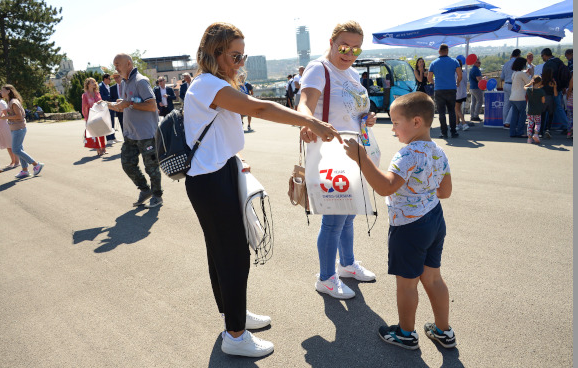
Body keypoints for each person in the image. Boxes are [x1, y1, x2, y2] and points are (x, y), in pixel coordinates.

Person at [183, 22, 340, 358]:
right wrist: (309, 121)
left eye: (244, 55)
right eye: (235, 55)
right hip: (211, 181)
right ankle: (235, 335)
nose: (241, 62)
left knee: (223, 252)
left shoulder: (212, 84)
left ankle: (233, 318)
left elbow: (218, 132)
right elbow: (259, 108)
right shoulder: (208, 84)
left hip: (218, 173)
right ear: (216, 53)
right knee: (233, 254)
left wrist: (235, 159)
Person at [343, 91, 455, 351]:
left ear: (416, 122)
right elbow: (445, 192)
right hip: (435, 220)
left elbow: (385, 187)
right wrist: (423, 190)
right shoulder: (438, 151)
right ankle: (444, 331)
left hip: (409, 226)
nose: (393, 130)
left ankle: (406, 333)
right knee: (434, 279)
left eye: (395, 122)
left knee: (407, 284)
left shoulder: (407, 155)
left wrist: (361, 157)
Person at [298, 20, 377, 300]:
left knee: (349, 213)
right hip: (330, 152)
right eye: (344, 46)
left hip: (353, 150)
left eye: (356, 48)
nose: (349, 52)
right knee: (334, 220)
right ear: (331, 43)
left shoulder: (352, 73)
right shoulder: (319, 68)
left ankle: (346, 264)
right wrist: (306, 122)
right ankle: (326, 278)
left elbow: (355, 109)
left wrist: (367, 117)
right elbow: (305, 101)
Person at [106, 53, 163, 209]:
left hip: (146, 135)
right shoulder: (124, 83)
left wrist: (128, 103)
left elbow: (152, 105)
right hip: (131, 134)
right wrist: (108, 105)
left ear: (128, 64)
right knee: (127, 164)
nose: (115, 67)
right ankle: (145, 190)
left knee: (151, 167)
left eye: (117, 64)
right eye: (114, 64)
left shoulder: (141, 81)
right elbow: (129, 104)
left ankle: (157, 196)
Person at [0, 84, 45, 179]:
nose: (1, 92)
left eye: (2, 90)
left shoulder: (13, 102)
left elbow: (19, 116)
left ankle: (36, 164)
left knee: (16, 150)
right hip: (15, 129)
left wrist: (5, 117)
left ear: (8, 91)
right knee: (19, 149)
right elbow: (13, 112)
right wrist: (6, 110)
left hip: (18, 129)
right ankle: (25, 171)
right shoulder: (10, 101)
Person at [427, 43, 462, 139]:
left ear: (439, 51)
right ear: (447, 51)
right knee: (451, 111)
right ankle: (453, 132)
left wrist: (434, 83)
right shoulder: (454, 61)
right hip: (451, 89)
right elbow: (460, 75)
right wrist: (457, 82)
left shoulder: (433, 63)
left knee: (441, 112)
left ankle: (444, 133)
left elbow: (429, 78)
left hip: (439, 90)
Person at [540, 48, 566, 138]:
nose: (542, 58)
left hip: (549, 90)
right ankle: (565, 126)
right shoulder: (558, 61)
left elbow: (545, 77)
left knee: (545, 111)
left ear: (545, 55)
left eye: (542, 56)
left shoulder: (549, 64)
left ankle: (543, 130)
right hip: (557, 88)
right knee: (557, 108)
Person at [82, 77, 107, 156]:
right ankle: (98, 148)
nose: (94, 83)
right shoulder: (85, 95)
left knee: (101, 132)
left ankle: (103, 148)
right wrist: (86, 117)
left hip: (99, 115)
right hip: (91, 116)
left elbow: (101, 104)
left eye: (94, 82)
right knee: (94, 134)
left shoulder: (97, 93)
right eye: (92, 82)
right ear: (88, 84)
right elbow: (84, 107)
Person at [508, 57, 532, 138]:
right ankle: (520, 132)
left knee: (514, 116)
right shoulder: (521, 73)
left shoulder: (514, 73)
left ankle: (512, 132)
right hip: (521, 97)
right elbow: (529, 82)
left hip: (513, 97)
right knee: (522, 116)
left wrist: (527, 74)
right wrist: (531, 74)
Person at [0, 87, 18, 168]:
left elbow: (4, 115)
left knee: (9, 144)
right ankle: (13, 161)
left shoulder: (1, 102)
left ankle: (15, 161)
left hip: (4, 126)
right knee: (6, 145)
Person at [500, 49, 521, 129]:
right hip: (513, 85)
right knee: (515, 104)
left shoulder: (506, 64)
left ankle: (505, 122)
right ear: (518, 55)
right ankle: (508, 122)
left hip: (506, 84)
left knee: (506, 105)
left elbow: (501, 77)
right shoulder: (517, 63)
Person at [524, 76, 546, 144]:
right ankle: (536, 134)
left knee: (530, 123)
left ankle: (529, 139)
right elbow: (543, 101)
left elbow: (524, 87)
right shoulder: (541, 91)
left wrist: (530, 83)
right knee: (538, 123)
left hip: (530, 110)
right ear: (540, 82)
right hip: (538, 110)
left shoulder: (529, 90)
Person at [99, 73, 117, 144]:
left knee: (112, 122)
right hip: (105, 107)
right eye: (109, 79)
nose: (110, 80)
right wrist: (110, 97)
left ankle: (113, 137)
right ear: (105, 79)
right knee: (107, 123)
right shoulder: (101, 86)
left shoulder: (108, 86)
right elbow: (101, 96)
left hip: (111, 106)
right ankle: (109, 139)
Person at [455, 59, 469, 131]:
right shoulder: (464, 72)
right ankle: (457, 124)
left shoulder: (455, 73)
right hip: (463, 92)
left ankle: (464, 123)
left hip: (457, 93)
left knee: (457, 109)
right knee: (457, 109)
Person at [469, 59, 484, 123]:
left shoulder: (472, 69)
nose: (479, 64)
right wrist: (484, 79)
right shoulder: (476, 70)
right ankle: (476, 116)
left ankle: (472, 115)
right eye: (478, 62)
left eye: (480, 62)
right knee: (480, 101)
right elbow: (479, 79)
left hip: (472, 87)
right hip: (477, 88)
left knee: (473, 102)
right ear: (474, 63)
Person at [566, 74, 573, 139]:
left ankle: (569, 133)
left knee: (570, 118)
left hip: (571, 102)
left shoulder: (572, 79)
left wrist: (567, 97)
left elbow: (569, 90)